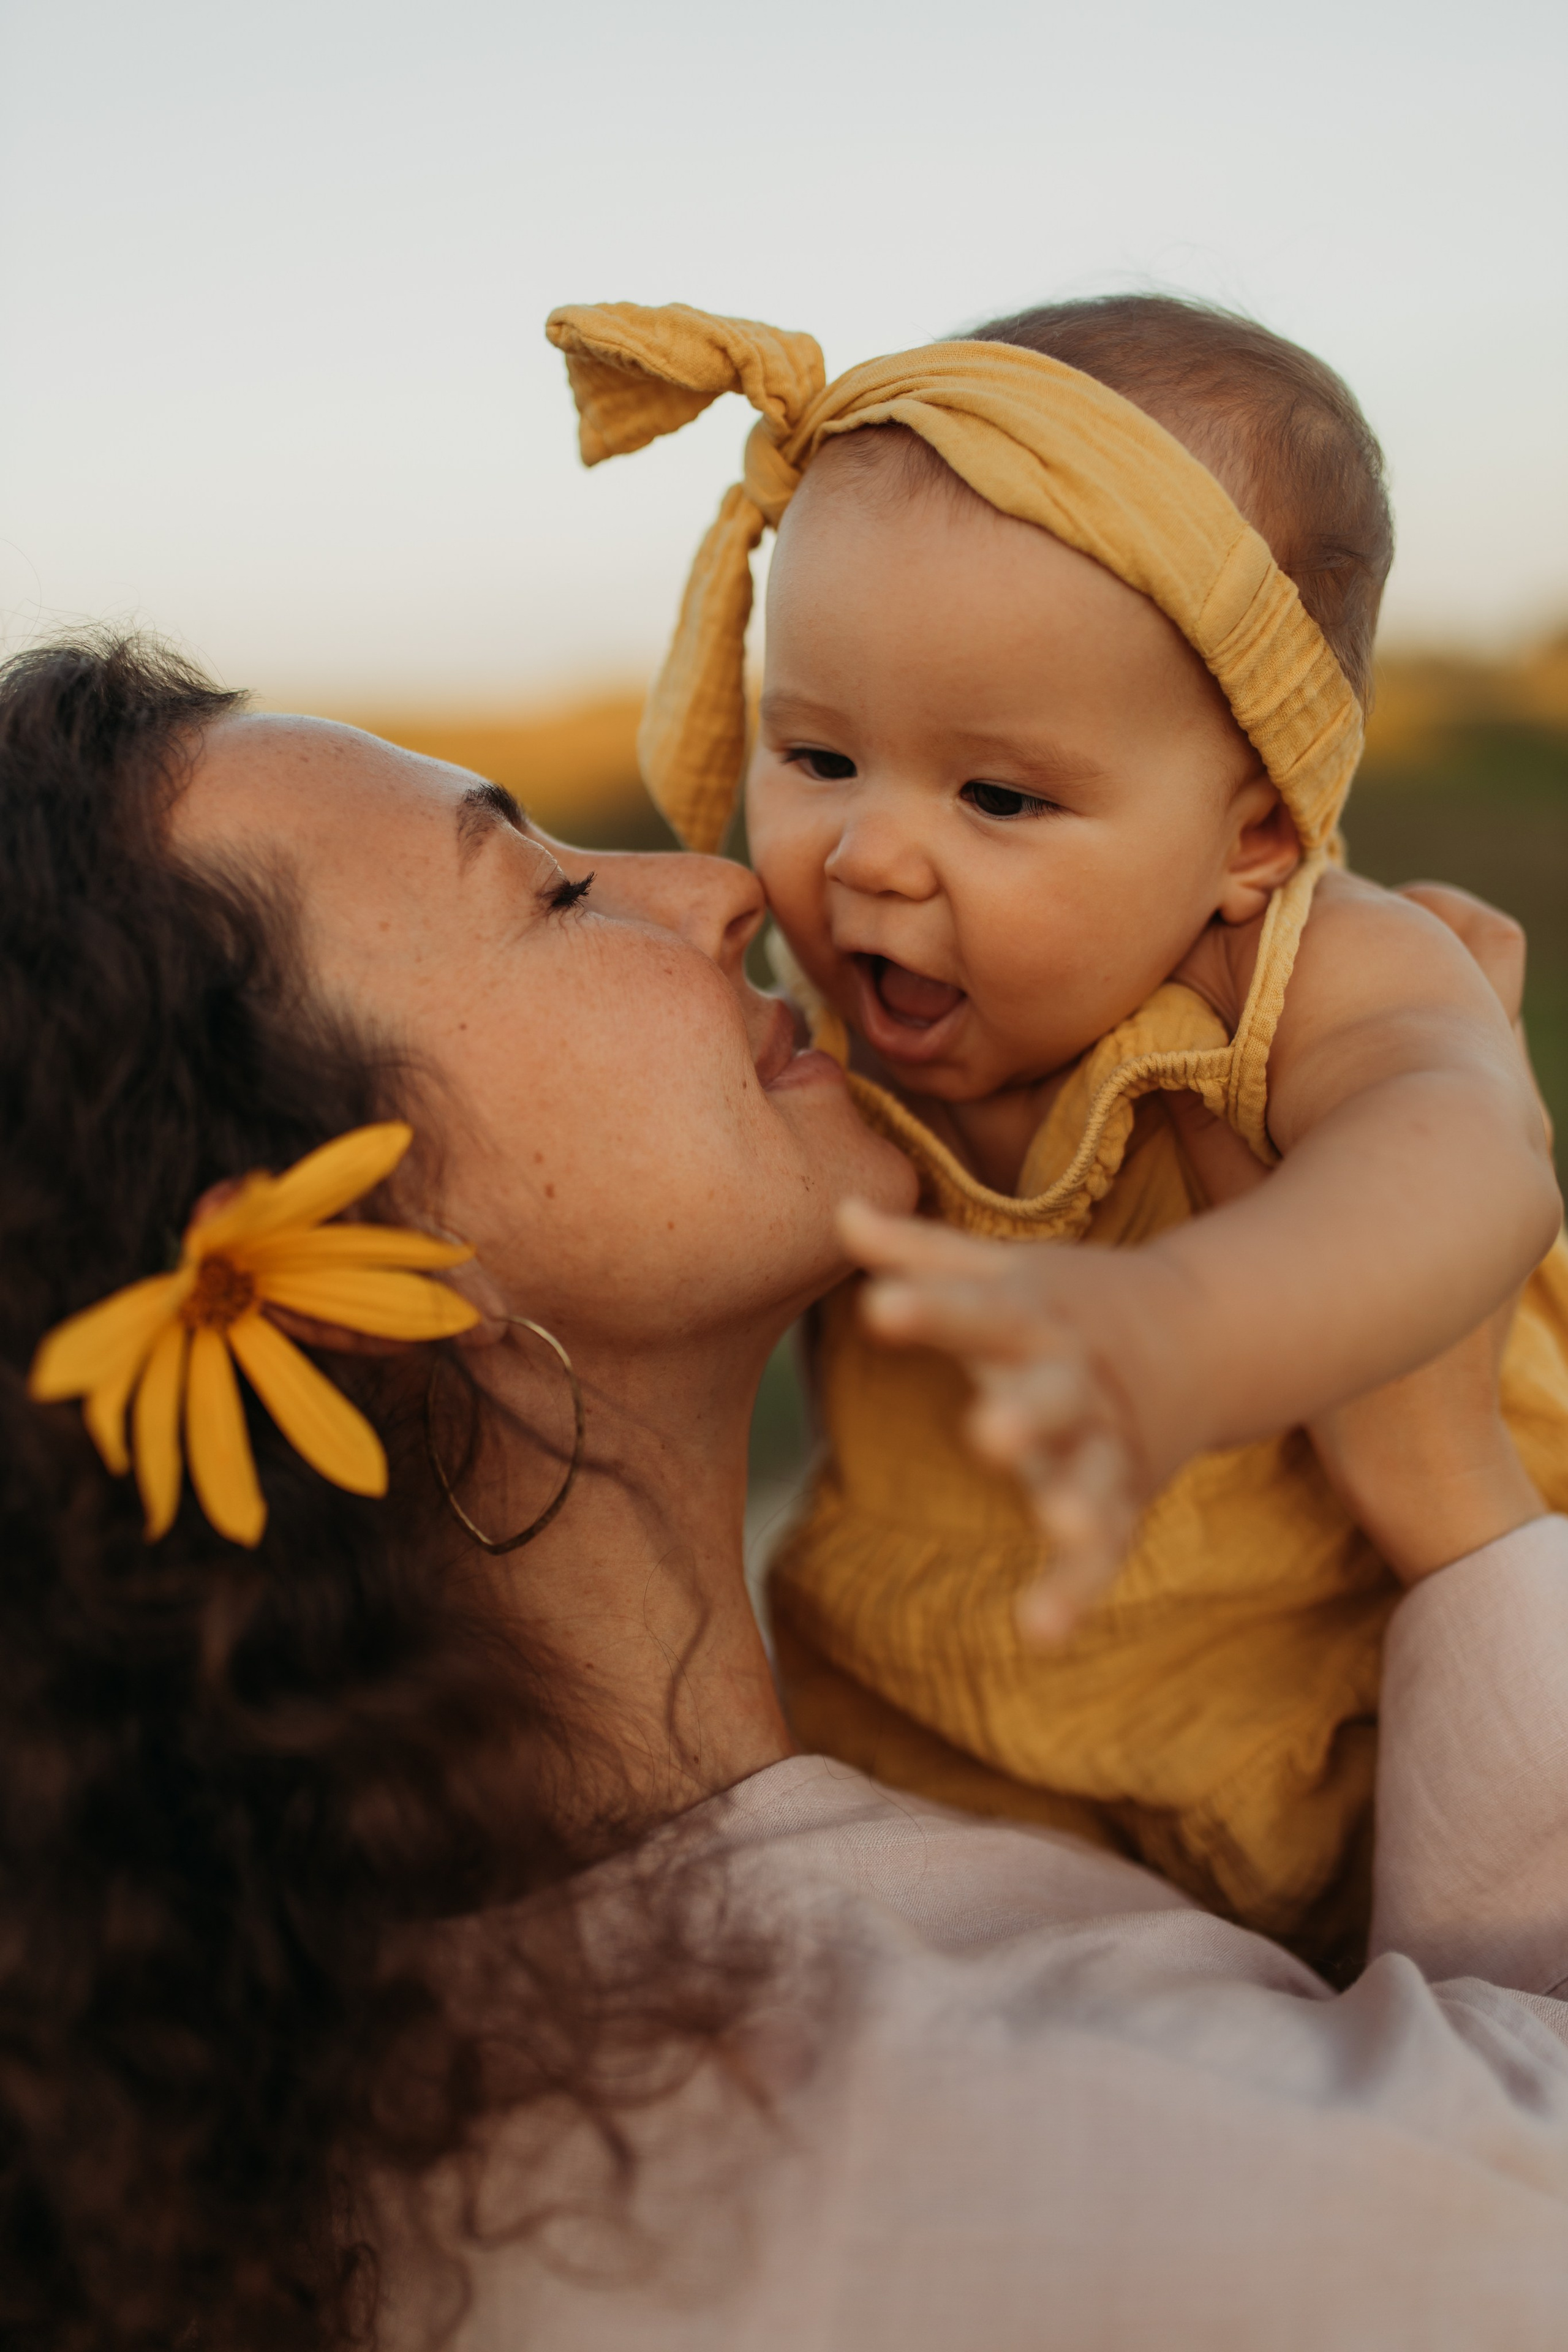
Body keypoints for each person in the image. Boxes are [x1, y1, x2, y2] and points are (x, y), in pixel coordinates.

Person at [5, 630, 1568, 2350]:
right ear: (332, 1258)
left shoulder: (370, 2090)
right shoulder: (890, 2125)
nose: (723, 888)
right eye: (543, 889)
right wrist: (1448, 1488)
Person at [545, 294, 1568, 1961]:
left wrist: (1189, 1327)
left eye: (999, 797)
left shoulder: (1297, 967)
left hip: (1378, 1742)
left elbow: (1466, 1154)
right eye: (817, 755)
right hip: (952, 1746)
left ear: (1250, 826)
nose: (870, 859)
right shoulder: (838, 1053)